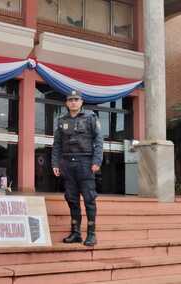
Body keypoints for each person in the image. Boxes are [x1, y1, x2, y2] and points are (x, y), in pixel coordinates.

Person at [52, 90, 103, 246]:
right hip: (67, 164)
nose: (73, 102)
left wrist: (97, 161)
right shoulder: (61, 120)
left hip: (86, 163)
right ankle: (76, 233)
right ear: (67, 103)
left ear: (81, 102)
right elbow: (57, 145)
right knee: (72, 199)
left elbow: (99, 141)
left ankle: (91, 234)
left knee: (89, 199)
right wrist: (55, 163)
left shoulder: (91, 118)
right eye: (70, 100)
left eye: (76, 99)